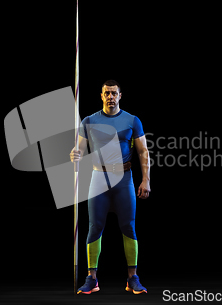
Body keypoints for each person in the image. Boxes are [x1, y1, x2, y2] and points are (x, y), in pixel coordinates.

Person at [70, 80, 150, 295]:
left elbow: (143, 152)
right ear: (101, 95)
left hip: (124, 178)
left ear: (120, 95)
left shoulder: (132, 120)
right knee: (95, 227)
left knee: (129, 226)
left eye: (114, 93)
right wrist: (74, 156)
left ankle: (133, 278)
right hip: (99, 178)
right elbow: (79, 150)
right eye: (107, 93)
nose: (110, 96)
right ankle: (92, 279)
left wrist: (146, 180)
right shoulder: (88, 121)